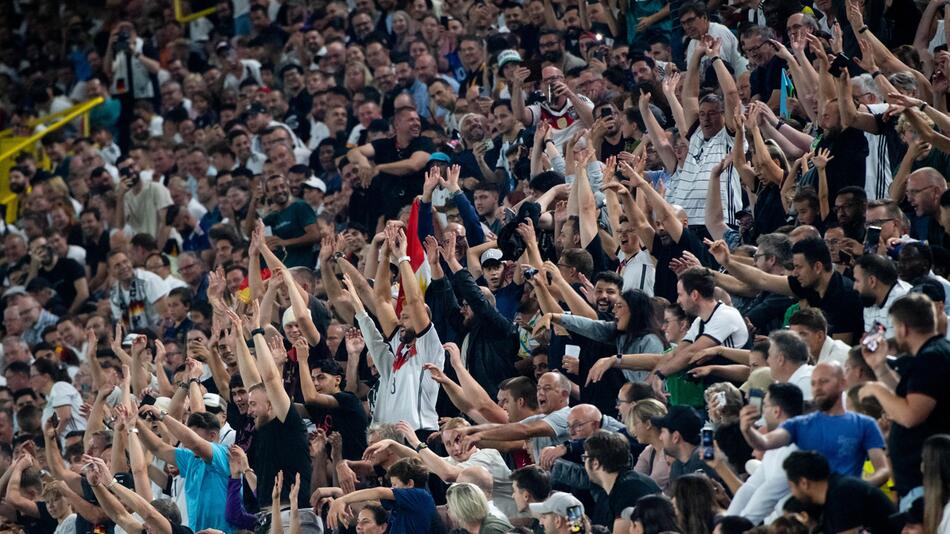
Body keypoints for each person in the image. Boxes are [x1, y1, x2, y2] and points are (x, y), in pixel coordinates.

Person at [859, 293, 950, 507]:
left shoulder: (931, 358)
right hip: (916, 480)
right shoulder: (930, 355)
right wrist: (879, 367)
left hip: (926, 481)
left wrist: (875, 388)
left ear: (903, 328)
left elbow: (910, 415)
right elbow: (907, 397)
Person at [740, 362, 890, 484]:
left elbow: (882, 470)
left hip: (845, 507)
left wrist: (856, 488)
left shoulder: (865, 424)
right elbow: (764, 443)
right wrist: (748, 429)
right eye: (813, 383)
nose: (817, 388)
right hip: (809, 508)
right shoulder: (799, 424)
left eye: (824, 381)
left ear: (843, 383)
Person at [726, 382, 803, 524]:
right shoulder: (775, 446)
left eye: (765, 406)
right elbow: (751, 488)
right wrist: (728, 523)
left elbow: (768, 494)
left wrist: (738, 527)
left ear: (776, 411)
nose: (763, 412)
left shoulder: (796, 448)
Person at [782, 450, 896, 533]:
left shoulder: (842, 494)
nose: (793, 494)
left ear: (803, 483)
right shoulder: (833, 494)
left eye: (791, 487)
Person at [445, 482, 513, 533]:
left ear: (461, 508)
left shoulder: (491, 530)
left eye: (449, 506)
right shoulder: (469, 528)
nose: (447, 510)